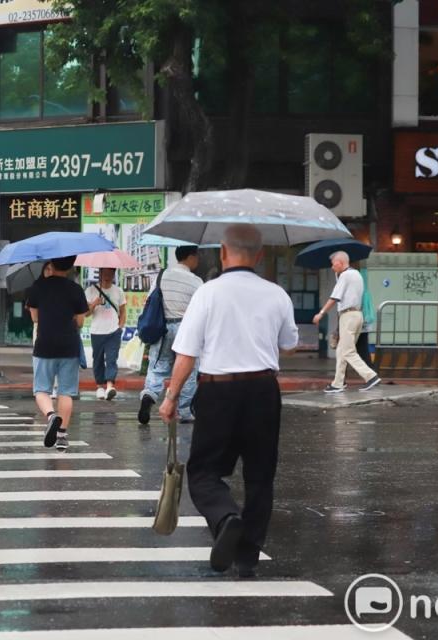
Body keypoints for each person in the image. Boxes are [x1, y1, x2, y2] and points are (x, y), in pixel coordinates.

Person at [158, 225, 299, 577]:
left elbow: (186, 354)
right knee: (260, 476)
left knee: (204, 472)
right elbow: (290, 343)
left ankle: (225, 518)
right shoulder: (277, 294)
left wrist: (171, 396)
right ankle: (247, 556)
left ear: (222, 252)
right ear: (261, 255)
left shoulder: (208, 293)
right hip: (263, 391)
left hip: (218, 390)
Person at [25, 256, 89, 451]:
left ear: (51, 265)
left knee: (42, 390)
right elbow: (80, 323)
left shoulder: (38, 286)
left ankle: (51, 416)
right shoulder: (76, 289)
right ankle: (62, 436)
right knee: (66, 391)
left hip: (44, 344)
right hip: (69, 345)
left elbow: (35, 318)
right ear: (70, 267)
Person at [138, 245, 203, 425]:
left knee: (158, 366)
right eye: (196, 255)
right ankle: (185, 411)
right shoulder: (196, 281)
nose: (198, 259)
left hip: (163, 327)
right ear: (190, 256)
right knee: (189, 370)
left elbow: (150, 298)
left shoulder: (162, 275)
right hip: (186, 329)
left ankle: (149, 394)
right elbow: (201, 309)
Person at [313, 251, 381, 393]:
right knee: (341, 350)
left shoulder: (345, 275)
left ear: (341, 262)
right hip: (357, 315)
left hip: (348, 316)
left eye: (333, 264)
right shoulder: (356, 274)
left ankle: (371, 376)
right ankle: (338, 383)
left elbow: (334, 297)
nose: (332, 267)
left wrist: (321, 313)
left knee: (348, 351)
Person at [85, 267, 126, 400]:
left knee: (111, 359)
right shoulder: (91, 290)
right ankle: (100, 387)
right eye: (105, 272)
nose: (108, 275)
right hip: (97, 331)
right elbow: (86, 313)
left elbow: (123, 312)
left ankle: (109, 386)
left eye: (111, 273)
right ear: (100, 273)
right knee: (97, 360)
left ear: (114, 274)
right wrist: (95, 303)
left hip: (113, 331)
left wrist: (120, 327)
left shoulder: (118, 291)